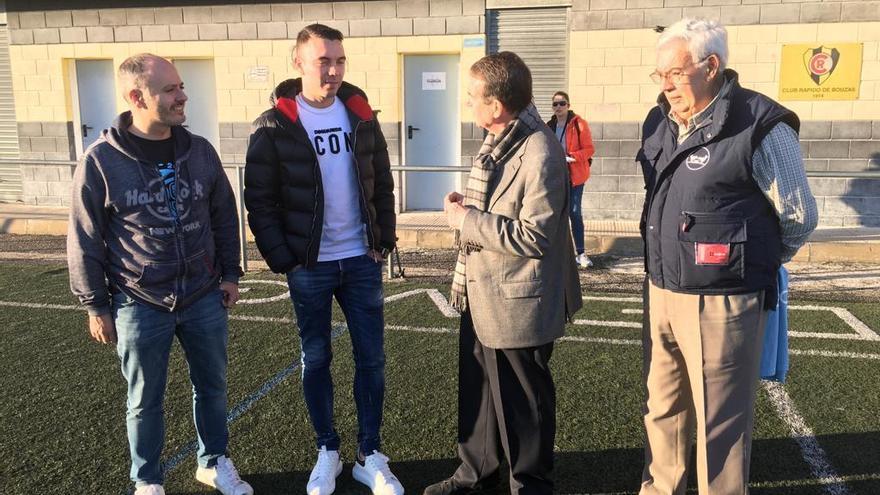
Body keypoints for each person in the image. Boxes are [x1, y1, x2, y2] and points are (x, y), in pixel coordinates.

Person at [637, 19, 818, 494]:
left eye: (674, 73)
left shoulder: (759, 123)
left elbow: (799, 215)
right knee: (663, 410)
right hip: (660, 289)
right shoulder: (659, 121)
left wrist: (751, 263)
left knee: (721, 424)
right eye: (659, 75)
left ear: (711, 66)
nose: (666, 85)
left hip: (722, 302)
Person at [67, 54, 251, 495]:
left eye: (181, 86)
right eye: (170, 89)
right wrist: (96, 305)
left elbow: (224, 215)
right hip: (139, 301)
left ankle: (213, 461)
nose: (182, 95)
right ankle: (147, 479)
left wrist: (230, 274)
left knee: (212, 387)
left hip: (204, 295)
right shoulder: (100, 161)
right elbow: (84, 238)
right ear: (136, 97)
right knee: (144, 401)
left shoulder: (200, 151)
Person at [244, 24, 401, 495]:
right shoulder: (273, 123)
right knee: (316, 359)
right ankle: (327, 449)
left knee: (371, 359)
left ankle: (369, 453)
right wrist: (285, 259)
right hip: (308, 265)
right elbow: (259, 198)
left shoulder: (360, 113)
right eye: (322, 61)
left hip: (360, 259)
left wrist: (384, 240)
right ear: (298, 63)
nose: (332, 70)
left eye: (339, 61)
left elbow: (384, 182)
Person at [424, 51, 582, 495]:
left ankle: (529, 484)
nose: (468, 105)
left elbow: (535, 237)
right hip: (481, 289)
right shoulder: (503, 139)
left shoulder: (540, 150)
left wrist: (466, 221)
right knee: (479, 392)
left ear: (496, 105)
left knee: (522, 403)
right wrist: (471, 211)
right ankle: (476, 472)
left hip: (518, 300)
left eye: (473, 97)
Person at [546, 91, 595, 268]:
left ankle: (581, 252)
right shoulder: (549, 126)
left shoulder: (578, 124)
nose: (558, 107)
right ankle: (559, 252)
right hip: (556, 176)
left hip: (575, 175)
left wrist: (572, 156)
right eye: (555, 104)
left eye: (562, 103)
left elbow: (589, 149)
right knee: (556, 214)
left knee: (574, 212)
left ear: (568, 105)